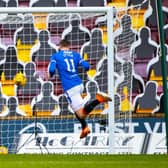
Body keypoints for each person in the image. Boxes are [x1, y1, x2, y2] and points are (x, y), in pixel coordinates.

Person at [48, 39, 112, 139]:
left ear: (60, 47)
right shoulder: (75, 54)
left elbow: (51, 70)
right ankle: (85, 127)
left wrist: (50, 75)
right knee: (76, 109)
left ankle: (99, 99)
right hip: (79, 84)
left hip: (69, 87)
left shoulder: (56, 56)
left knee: (81, 114)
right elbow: (86, 66)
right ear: (68, 47)